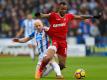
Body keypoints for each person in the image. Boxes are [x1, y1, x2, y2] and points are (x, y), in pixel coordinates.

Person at [34, 1, 102, 79]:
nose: (64, 10)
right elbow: (44, 15)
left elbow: (81, 17)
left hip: (63, 43)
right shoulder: (53, 15)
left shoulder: (68, 16)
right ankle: (40, 70)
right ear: (59, 8)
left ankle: (48, 72)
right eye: (62, 9)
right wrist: (39, 14)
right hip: (55, 41)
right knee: (48, 57)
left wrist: (93, 16)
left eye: (65, 9)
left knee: (62, 65)